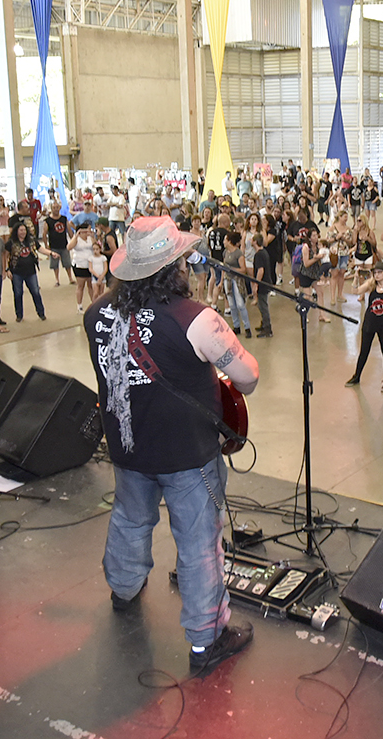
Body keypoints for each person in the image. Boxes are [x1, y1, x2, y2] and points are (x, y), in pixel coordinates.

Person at [85, 216, 258, 672]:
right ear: (174, 265)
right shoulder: (196, 318)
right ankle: (206, 639)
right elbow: (248, 377)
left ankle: (123, 590)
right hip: (187, 453)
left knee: (129, 518)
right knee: (200, 543)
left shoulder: (95, 314)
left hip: (128, 447)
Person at [346, 264, 383, 390]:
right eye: (375, 273)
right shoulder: (371, 285)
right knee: (364, 351)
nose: (377, 275)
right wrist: (355, 277)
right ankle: (357, 376)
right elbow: (355, 291)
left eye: (379, 272)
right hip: (370, 323)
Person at [4, 222, 52, 322]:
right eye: (21, 230)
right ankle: (19, 315)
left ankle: (41, 313)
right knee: (18, 294)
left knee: (35, 292)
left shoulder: (31, 241)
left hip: (31, 271)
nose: (23, 232)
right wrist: (7, 269)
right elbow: (5, 256)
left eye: (24, 230)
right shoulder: (11, 242)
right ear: (16, 231)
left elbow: (40, 249)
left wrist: (50, 253)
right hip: (16, 272)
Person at [222, 230, 253, 338]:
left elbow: (243, 269)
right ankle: (236, 326)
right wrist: (222, 281)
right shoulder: (226, 252)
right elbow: (223, 267)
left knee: (240, 304)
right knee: (232, 305)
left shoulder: (238, 253)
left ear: (230, 241)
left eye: (225, 240)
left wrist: (231, 269)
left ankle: (247, 327)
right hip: (227, 280)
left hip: (236, 280)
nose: (224, 242)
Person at [43, 201, 73, 286]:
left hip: (64, 245)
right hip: (53, 246)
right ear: (51, 209)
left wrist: (73, 241)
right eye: (54, 208)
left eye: (57, 207)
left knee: (67, 263)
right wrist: (46, 246)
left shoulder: (64, 218)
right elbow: (44, 234)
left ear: (60, 208)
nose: (56, 209)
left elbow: (69, 231)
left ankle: (70, 278)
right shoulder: (48, 221)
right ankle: (57, 280)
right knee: (55, 265)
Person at [68, 223, 96, 312]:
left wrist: (92, 236)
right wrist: (76, 235)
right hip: (79, 265)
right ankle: (79, 306)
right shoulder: (76, 239)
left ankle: (94, 303)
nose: (85, 233)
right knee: (81, 286)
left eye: (86, 231)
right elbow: (69, 247)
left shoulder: (90, 238)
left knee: (91, 285)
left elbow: (96, 247)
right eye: (83, 231)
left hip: (90, 264)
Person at [250, 232, 273, 338]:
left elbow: (260, 270)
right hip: (266, 282)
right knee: (262, 304)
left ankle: (267, 329)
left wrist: (256, 284)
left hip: (262, 284)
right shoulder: (264, 252)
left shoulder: (258, 255)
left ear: (255, 242)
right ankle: (264, 324)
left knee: (263, 306)